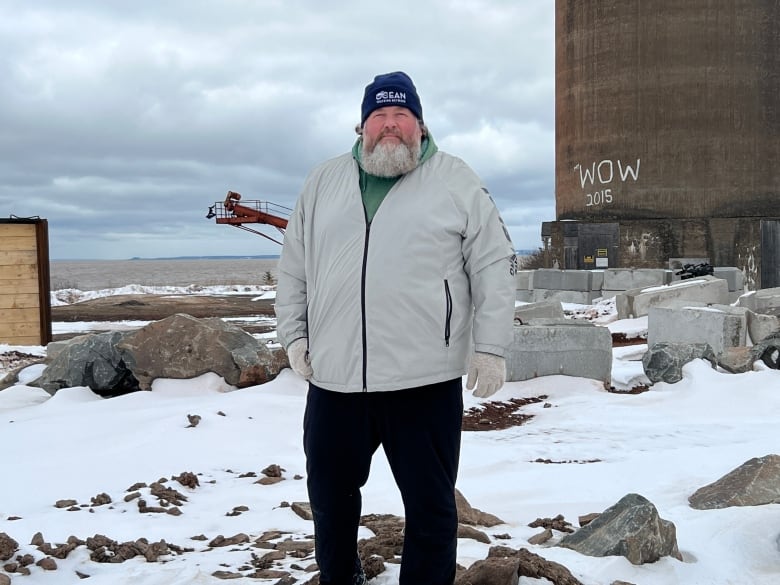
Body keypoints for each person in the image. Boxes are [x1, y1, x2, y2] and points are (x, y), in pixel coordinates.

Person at [275, 71, 517, 585]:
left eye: (400, 115)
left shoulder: (456, 180)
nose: (390, 126)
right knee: (330, 504)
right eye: (379, 117)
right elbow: (293, 267)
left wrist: (491, 347)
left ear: (420, 126)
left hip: (423, 379)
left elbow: (495, 263)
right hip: (336, 380)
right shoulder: (322, 182)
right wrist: (294, 337)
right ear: (361, 126)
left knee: (431, 510)